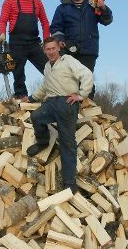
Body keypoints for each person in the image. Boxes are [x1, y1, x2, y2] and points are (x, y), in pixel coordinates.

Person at [26, 36, 93, 193]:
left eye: (53, 48)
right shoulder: (47, 67)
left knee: (67, 142)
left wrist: (81, 95)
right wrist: (31, 98)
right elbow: (44, 87)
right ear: (44, 51)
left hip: (66, 103)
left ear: (58, 49)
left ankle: (69, 183)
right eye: (47, 49)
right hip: (50, 103)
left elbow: (87, 74)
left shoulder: (68, 60)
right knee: (36, 116)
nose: (50, 52)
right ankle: (43, 142)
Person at [49, 0, 113, 98]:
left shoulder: (93, 3)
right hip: (69, 49)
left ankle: (88, 108)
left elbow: (107, 20)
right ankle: (70, 110)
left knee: (86, 78)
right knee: (69, 79)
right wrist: (60, 39)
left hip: (89, 49)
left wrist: (103, 8)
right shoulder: (62, 8)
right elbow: (55, 27)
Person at [0, 0, 51, 100]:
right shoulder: (10, 1)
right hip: (16, 44)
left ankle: (55, 92)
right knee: (18, 73)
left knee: (50, 68)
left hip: (34, 43)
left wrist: (46, 40)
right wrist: (2, 34)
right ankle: (21, 97)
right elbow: (2, 20)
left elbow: (45, 22)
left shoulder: (37, 2)